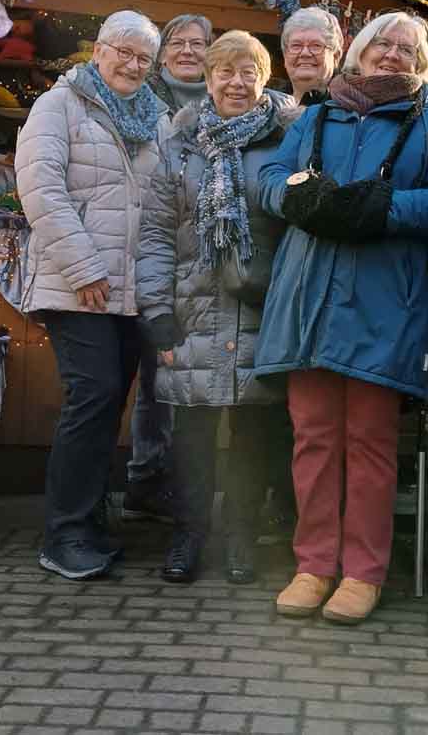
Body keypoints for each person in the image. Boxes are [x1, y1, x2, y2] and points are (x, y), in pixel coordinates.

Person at [256, 11, 428, 624]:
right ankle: (314, 564)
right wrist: (294, 196)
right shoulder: (315, 117)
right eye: (382, 44)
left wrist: (384, 209)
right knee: (313, 437)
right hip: (307, 299)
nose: (392, 54)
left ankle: (363, 572)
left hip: (382, 302)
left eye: (407, 49)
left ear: (421, 63)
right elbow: (268, 179)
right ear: (358, 53)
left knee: (371, 442)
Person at [137, 30, 300, 584]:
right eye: (225, 72)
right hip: (193, 309)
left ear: (264, 80)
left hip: (261, 309)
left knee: (255, 435)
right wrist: (157, 310)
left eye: (248, 72)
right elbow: (156, 233)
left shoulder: (287, 140)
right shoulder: (180, 146)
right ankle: (188, 536)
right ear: (207, 80)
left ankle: (241, 539)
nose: (237, 83)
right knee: (192, 436)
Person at [16, 10, 169, 580]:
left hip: (133, 289)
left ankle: (91, 520)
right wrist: (83, 266)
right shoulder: (59, 105)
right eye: (123, 52)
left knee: (110, 402)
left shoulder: (157, 118)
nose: (132, 65)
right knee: (94, 393)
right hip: (76, 285)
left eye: (143, 58)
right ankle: (66, 535)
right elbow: (40, 189)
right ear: (99, 50)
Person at [124, 13, 214, 521]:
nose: (187, 51)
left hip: (203, 269)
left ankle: (186, 489)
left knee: (191, 383)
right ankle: (145, 478)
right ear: (161, 54)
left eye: (197, 43)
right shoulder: (141, 99)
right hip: (151, 254)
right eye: (177, 42)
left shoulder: (222, 103)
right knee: (154, 379)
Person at [280, 6, 343, 104]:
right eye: (296, 45)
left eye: (316, 46)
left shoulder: (350, 108)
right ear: (285, 56)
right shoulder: (270, 107)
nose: (305, 53)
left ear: (336, 57)